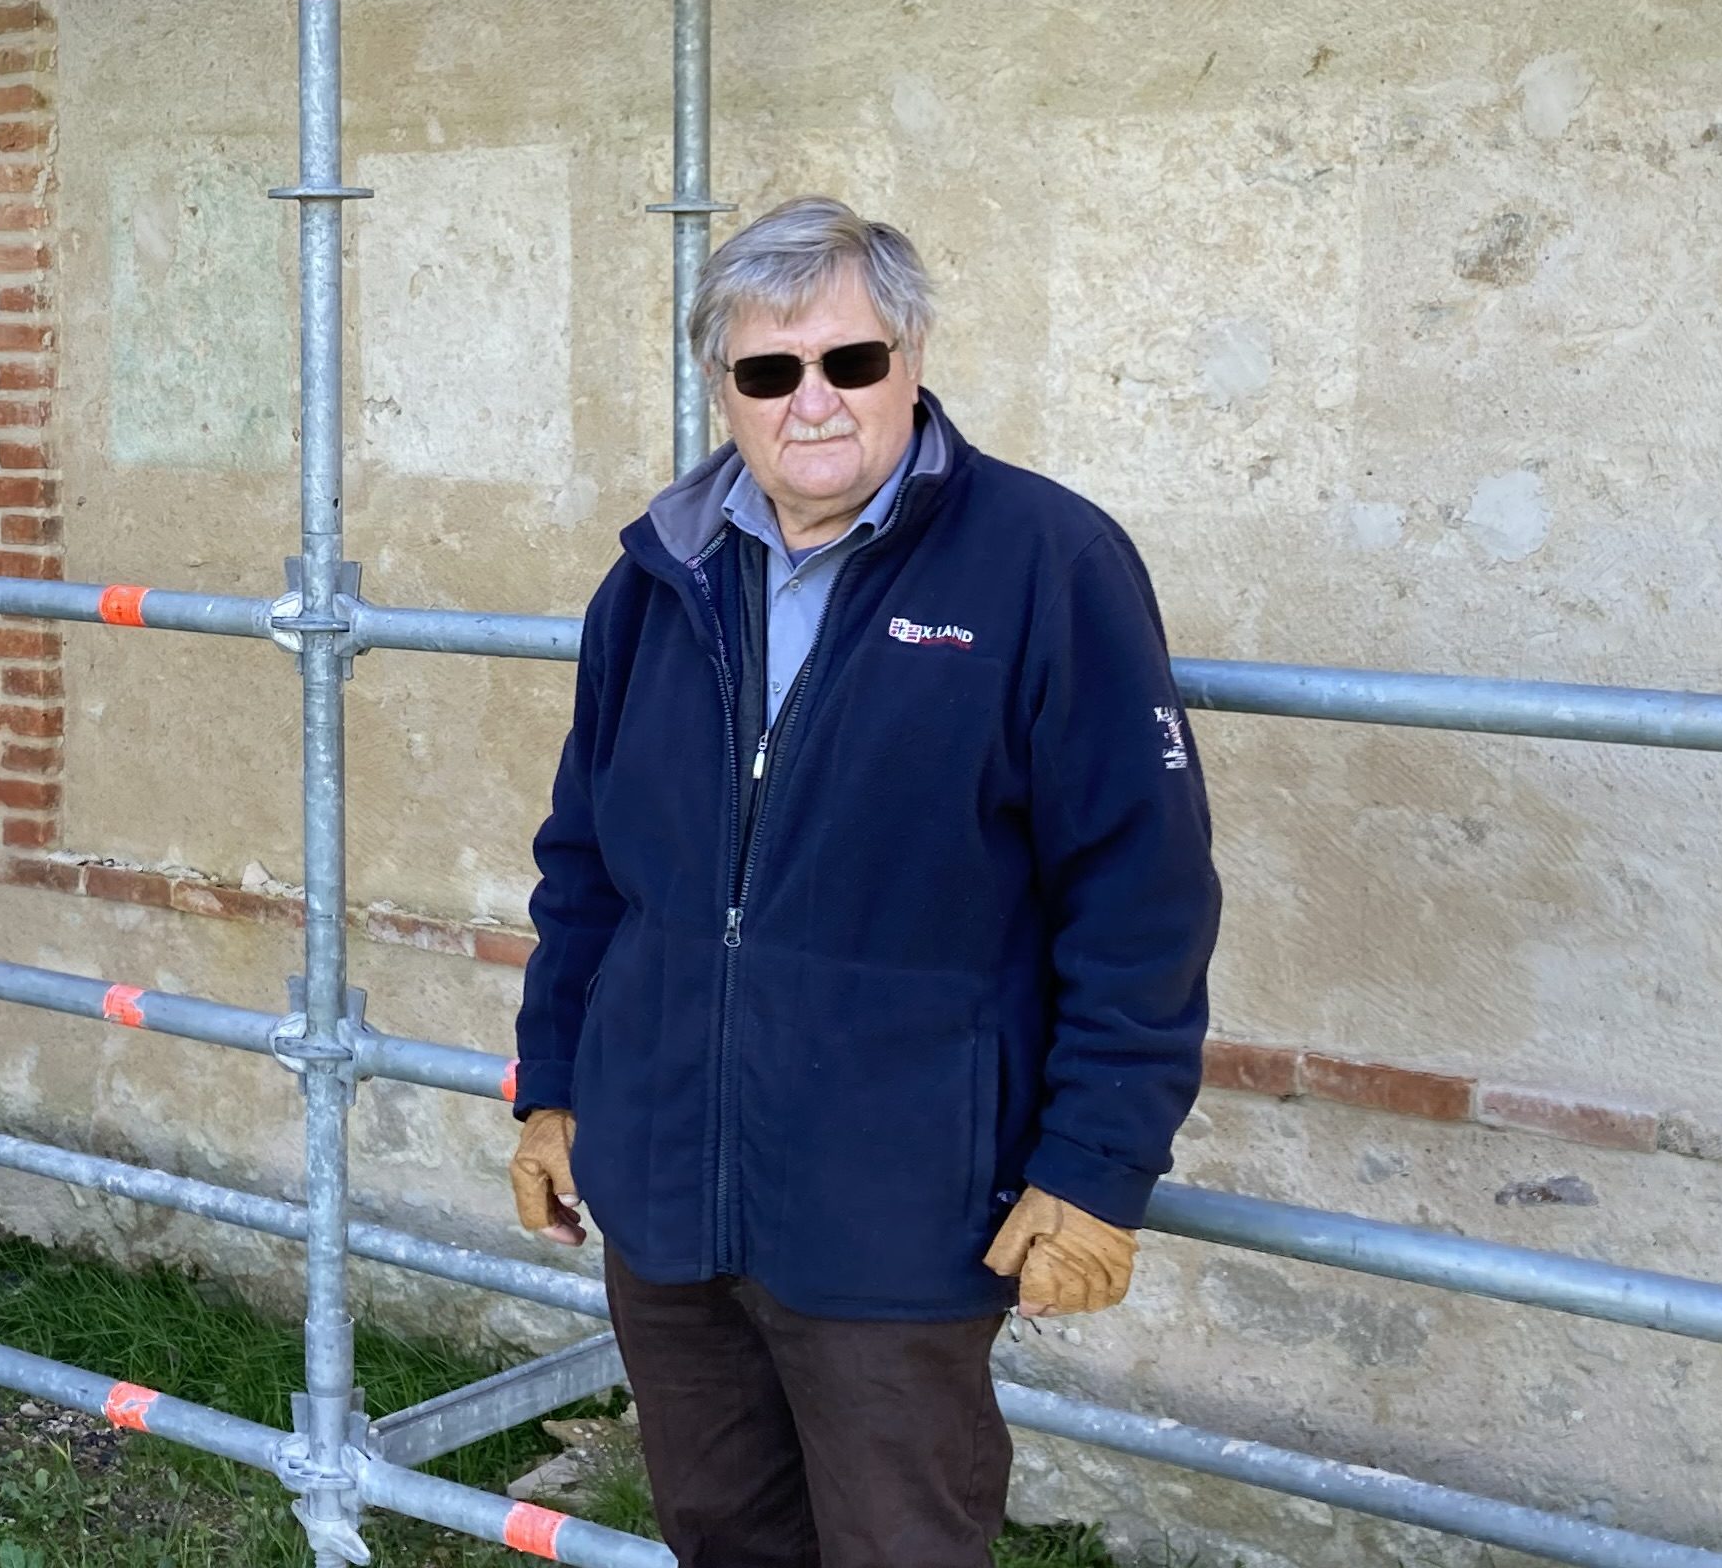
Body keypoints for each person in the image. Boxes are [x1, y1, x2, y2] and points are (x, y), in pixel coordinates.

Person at [504, 197, 1223, 1568]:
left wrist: (1095, 1166)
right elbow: (586, 862)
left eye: (851, 360)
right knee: (720, 1531)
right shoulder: (658, 574)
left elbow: (1143, 898)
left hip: (898, 1207)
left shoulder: (1046, 564)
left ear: (913, 356)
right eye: (769, 371)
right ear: (722, 387)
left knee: (901, 1544)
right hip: (664, 1192)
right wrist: (553, 1087)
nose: (814, 400)